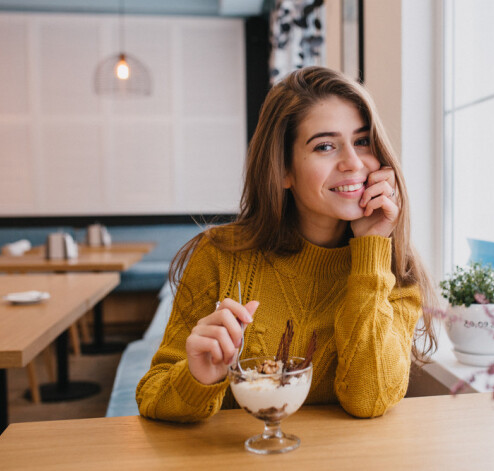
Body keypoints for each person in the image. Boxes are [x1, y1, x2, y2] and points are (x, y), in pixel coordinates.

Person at [136, 66, 438, 422]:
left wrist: (371, 250)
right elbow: (152, 396)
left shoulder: (394, 269)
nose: (354, 163)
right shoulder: (220, 255)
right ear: (283, 170)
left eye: (362, 141)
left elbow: (368, 400)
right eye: (325, 146)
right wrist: (198, 377)